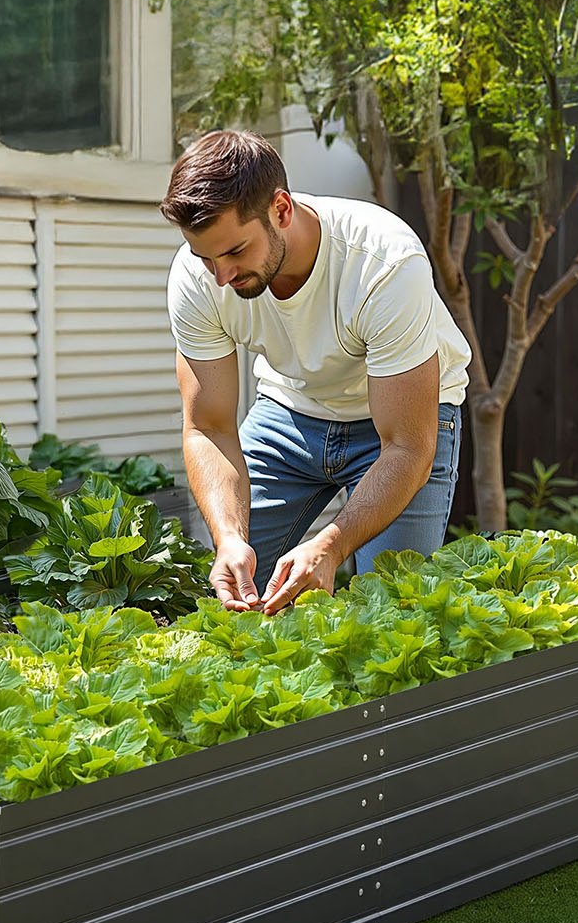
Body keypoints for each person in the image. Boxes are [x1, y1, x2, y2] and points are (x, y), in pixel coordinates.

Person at [160, 129, 472, 615]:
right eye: (206, 257)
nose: (221, 276)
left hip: (394, 431)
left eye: (236, 252)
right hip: (290, 413)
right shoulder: (196, 279)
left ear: (281, 210)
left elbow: (408, 446)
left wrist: (329, 546)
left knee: (392, 611)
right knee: (233, 595)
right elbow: (208, 427)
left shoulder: (384, 262)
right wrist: (228, 538)